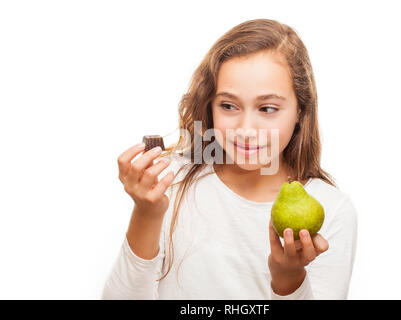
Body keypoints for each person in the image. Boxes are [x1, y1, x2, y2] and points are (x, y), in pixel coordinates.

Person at [102, 18, 358, 300]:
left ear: (301, 109)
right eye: (228, 106)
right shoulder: (170, 183)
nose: (246, 130)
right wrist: (146, 214)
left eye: (268, 108)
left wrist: (288, 281)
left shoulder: (331, 210)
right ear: (210, 106)